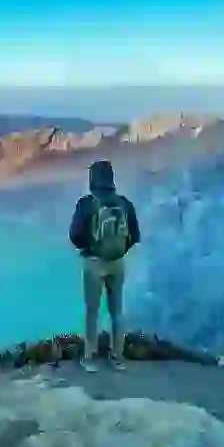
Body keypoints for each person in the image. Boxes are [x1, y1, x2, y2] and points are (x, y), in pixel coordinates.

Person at [68, 159, 141, 371]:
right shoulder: (125, 204)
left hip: (94, 263)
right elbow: (135, 236)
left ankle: (90, 358)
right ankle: (117, 357)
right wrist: (119, 251)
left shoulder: (86, 204)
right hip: (117, 264)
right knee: (117, 312)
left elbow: (75, 235)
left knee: (92, 311)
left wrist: (89, 247)